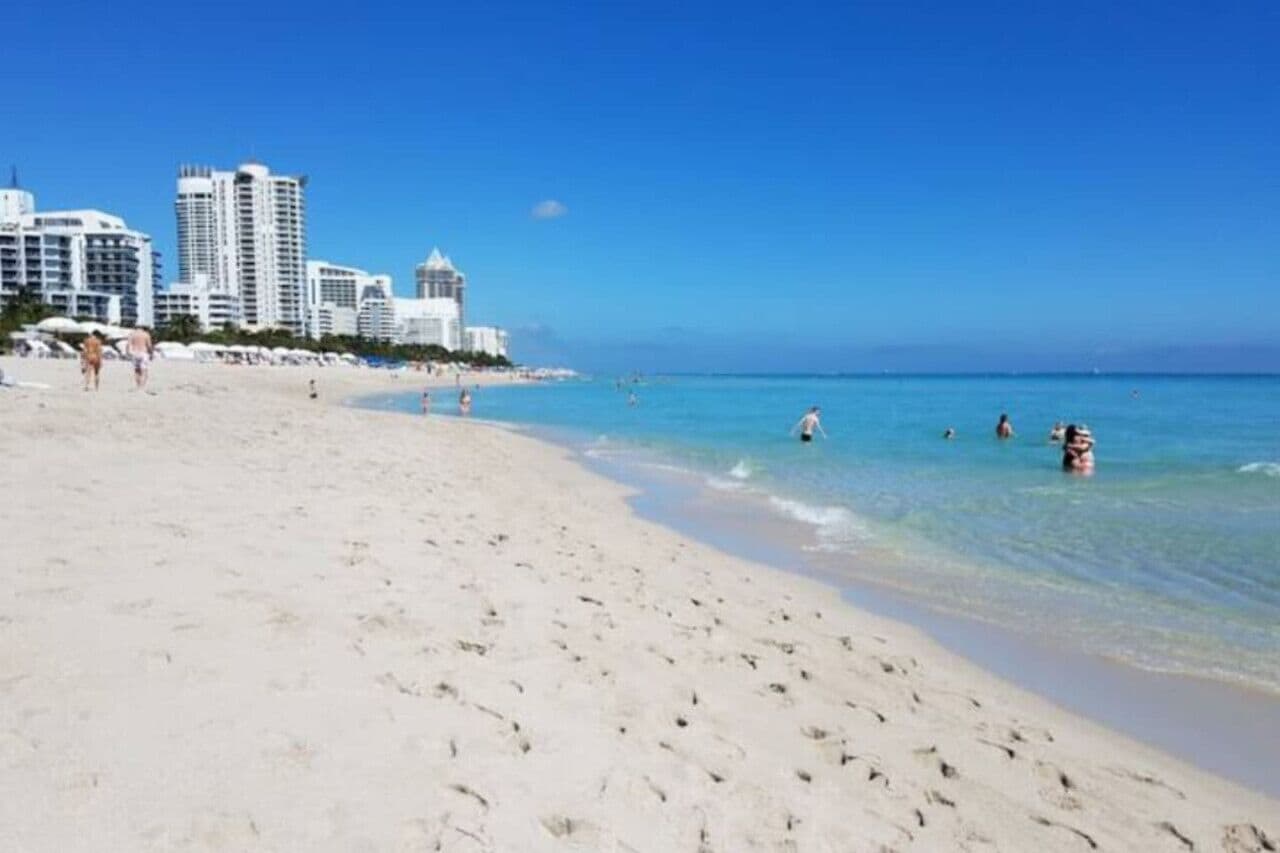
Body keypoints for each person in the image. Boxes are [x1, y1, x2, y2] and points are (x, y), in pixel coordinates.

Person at [125, 326, 154, 390]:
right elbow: (149, 345)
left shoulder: (132, 334)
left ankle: (138, 386)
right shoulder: (146, 334)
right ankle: (142, 386)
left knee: (137, 370)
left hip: (134, 353)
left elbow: (127, 345)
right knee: (144, 370)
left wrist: (127, 353)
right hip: (143, 353)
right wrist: (151, 353)